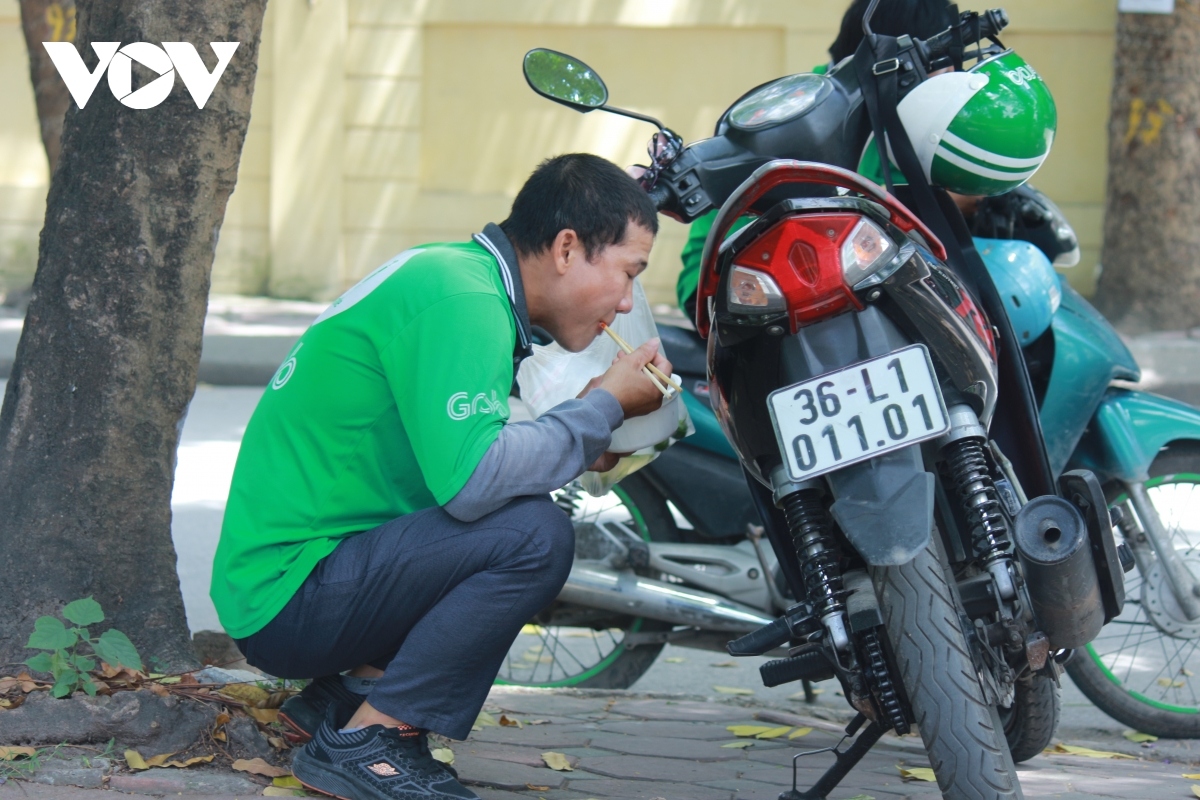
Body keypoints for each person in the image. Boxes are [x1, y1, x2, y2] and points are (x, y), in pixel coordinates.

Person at [209, 153, 672, 800]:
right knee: (536, 536)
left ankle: (341, 703)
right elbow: (476, 482)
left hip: (297, 581)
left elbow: (464, 458)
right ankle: (373, 743)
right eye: (628, 274)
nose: (625, 304)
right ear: (567, 248)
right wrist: (600, 408)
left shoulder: (460, 277)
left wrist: (583, 431)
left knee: (518, 518)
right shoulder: (463, 297)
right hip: (290, 593)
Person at [673, 0, 956, 318]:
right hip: (734, 292)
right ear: (897, 57)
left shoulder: (900, 114)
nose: (949, 78)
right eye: (939, 66)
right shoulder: (802, 114)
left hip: (843, 288)